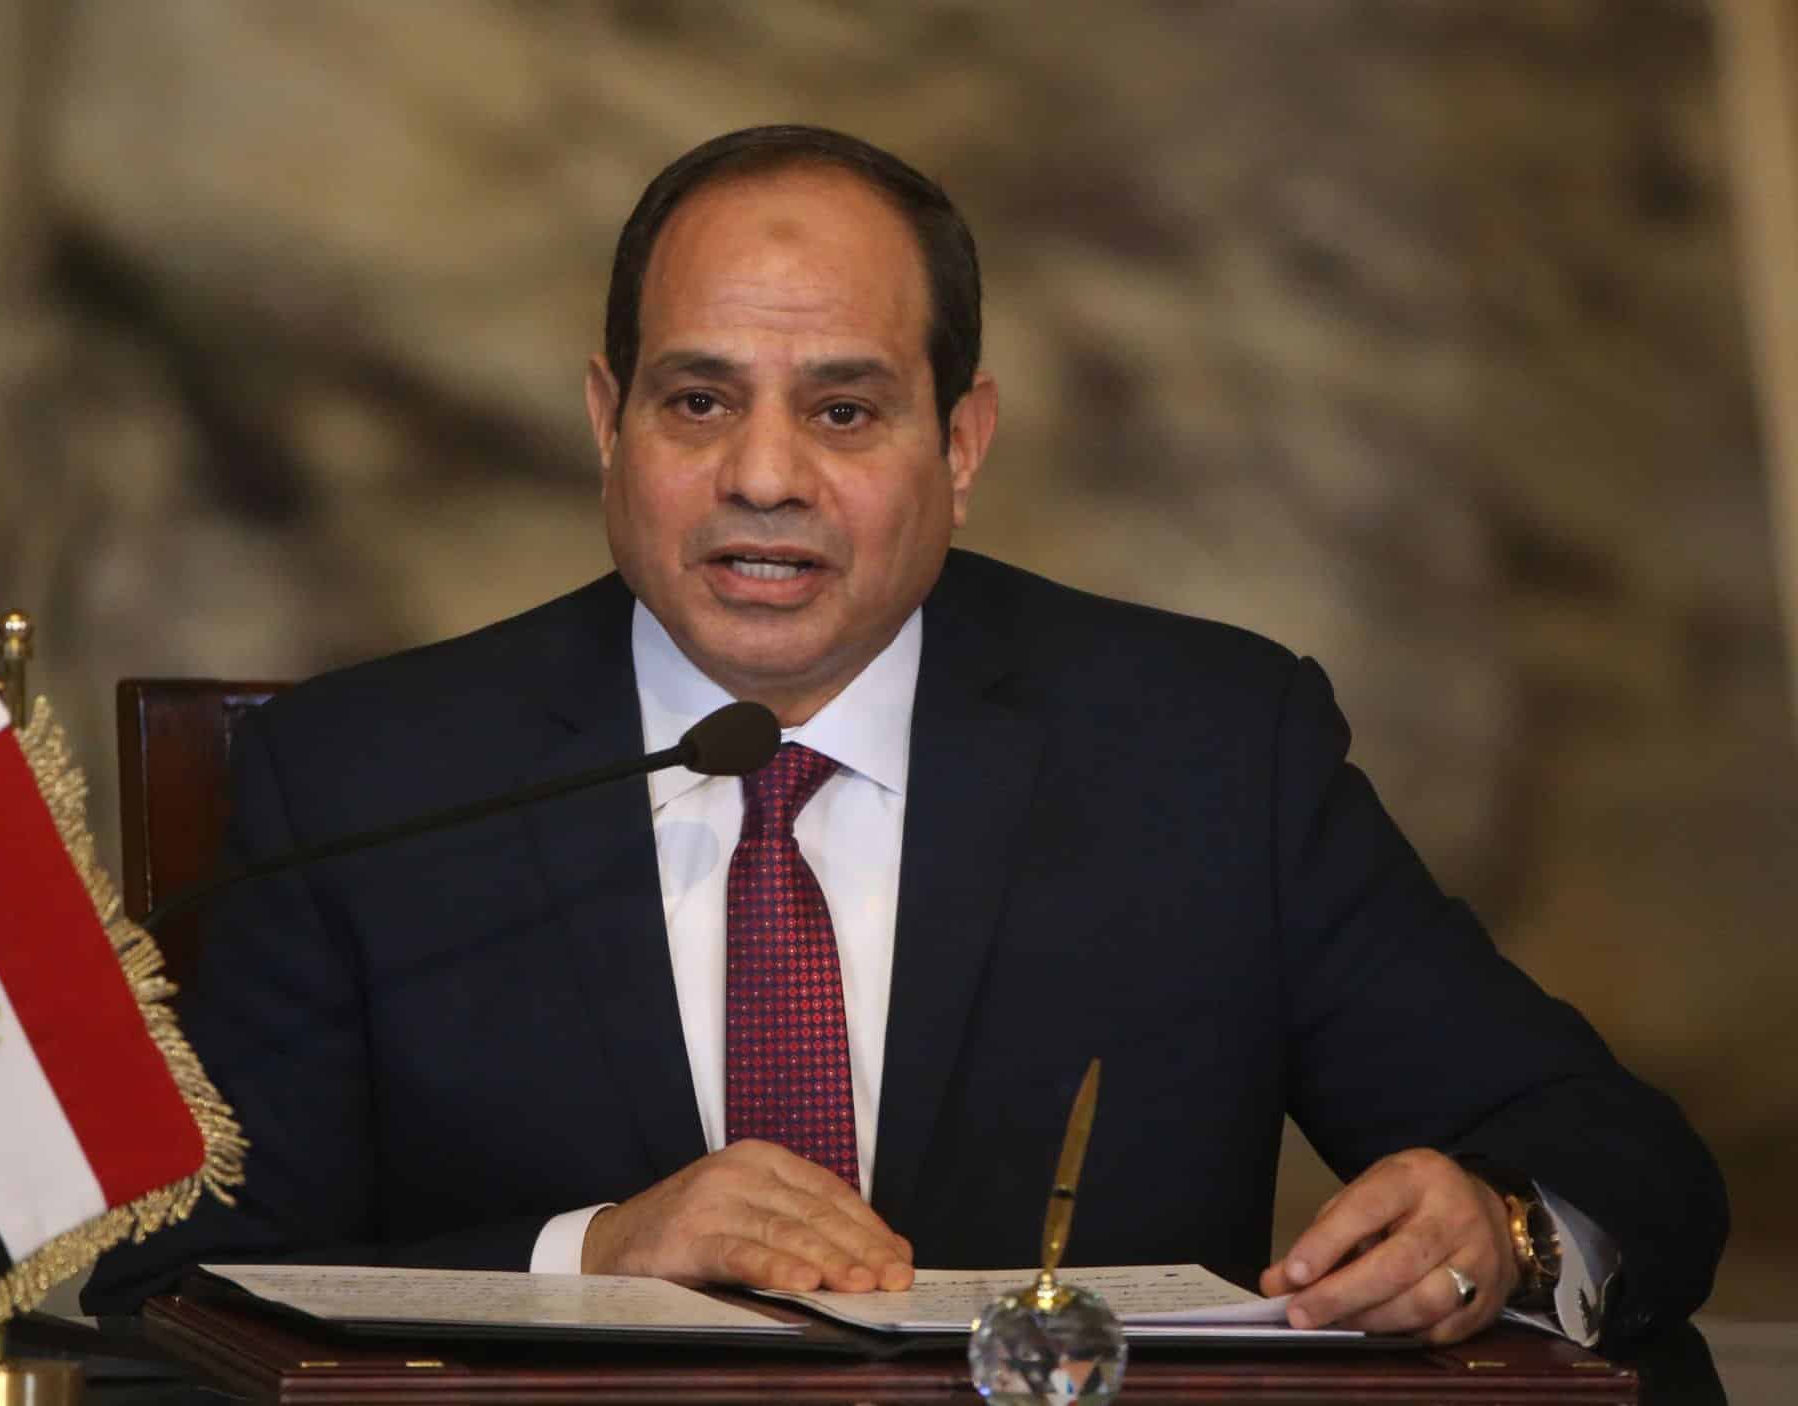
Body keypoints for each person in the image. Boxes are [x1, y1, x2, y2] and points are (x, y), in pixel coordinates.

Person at [84, 126, 1724, 1348]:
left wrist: (1498, 1228)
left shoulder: (1212, 753)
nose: (764, 476)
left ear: (964, 440)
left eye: (845, 409)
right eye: (698, 400)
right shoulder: (371, 780)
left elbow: (1622, 1162)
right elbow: (183, 1279)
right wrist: (591, 1253)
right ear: (606, 422)